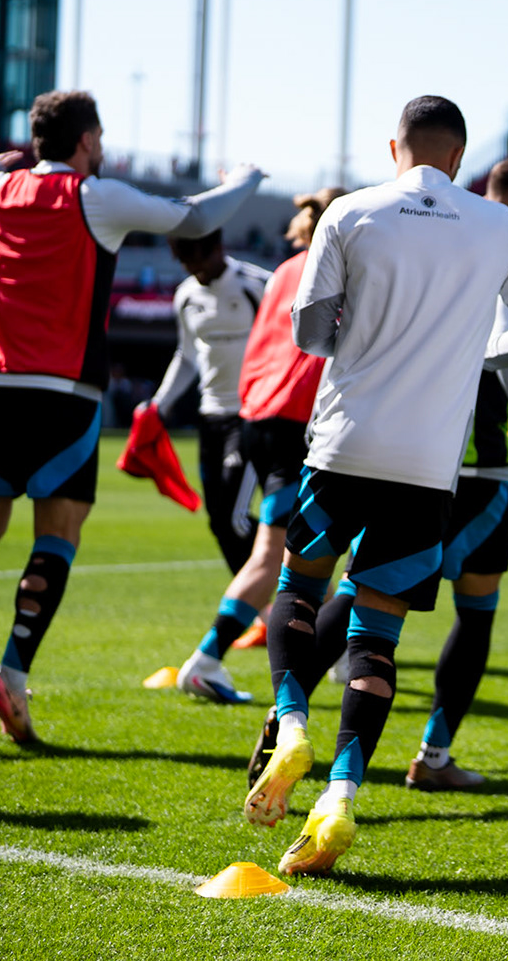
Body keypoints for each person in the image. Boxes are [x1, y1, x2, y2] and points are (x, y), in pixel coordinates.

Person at [243, 95, 508, 879]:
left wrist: (366, 336)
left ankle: (290, 724)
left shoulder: (350, 211)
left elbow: (309, 332)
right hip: (428, 467)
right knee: (376, 638)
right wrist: (466, 347)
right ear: (459, 156)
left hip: (344, 441)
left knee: (300, 587)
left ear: (395, 148)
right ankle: (340, 796)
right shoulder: (501, 226)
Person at [0, 90, 263, 742]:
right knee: (56, 536)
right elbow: (195, 217)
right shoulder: (96, 196)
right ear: (88, 140)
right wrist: (246, 179)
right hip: (66, 389)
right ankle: (11, 677)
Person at [292, 157, 508, 794]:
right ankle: (433, 755)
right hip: (471, 476)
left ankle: (286, 719)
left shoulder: (440, 239)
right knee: (465, 613)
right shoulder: (501, 253)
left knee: (354, 591)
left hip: (390, 454)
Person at [187, 191, 342, 733]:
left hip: (258, 416)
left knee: (308, 547)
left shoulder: (283, 270)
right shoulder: (341, 268)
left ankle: (335, 650)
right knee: (277, 555)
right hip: (298, 422)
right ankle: (206, 659)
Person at [147, 230, 272, 704]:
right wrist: (158, 406)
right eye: (185, 261)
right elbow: (186, 356)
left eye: (198, 258)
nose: (194, 270)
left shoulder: (255, 285)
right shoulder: (186, 296)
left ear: (218, 247)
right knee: (220, 523)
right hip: (210, 417)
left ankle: (288, 587)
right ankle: (268, 609)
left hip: (253, 415)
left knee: (238, 520)